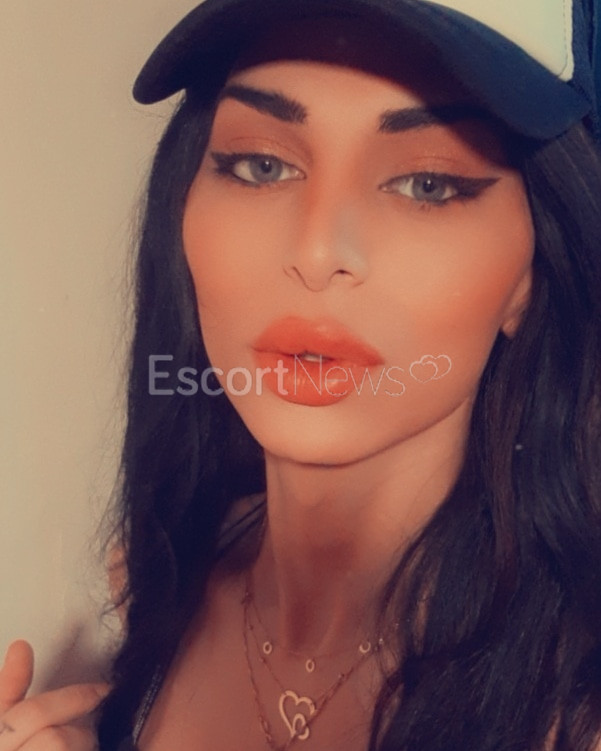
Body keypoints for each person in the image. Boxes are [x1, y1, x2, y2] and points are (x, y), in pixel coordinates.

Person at [2, 0, 601, 749]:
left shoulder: (574, 711)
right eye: (261, 165)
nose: (317, 252)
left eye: (426, 184)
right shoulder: (154, 578)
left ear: (532, 274)